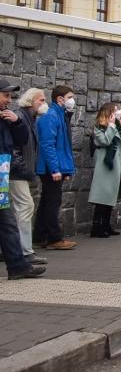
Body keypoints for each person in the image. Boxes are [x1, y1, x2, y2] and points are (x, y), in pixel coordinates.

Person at [0, 78, 45, 279]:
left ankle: (18, 266)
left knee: (7, 221)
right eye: (5, 95)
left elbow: (21, 140)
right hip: (5, 172)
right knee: (8, 219)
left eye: (10, 96)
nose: (8, 100)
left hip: (2, 173)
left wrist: (17, 123)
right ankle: (19, 264)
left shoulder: (6, 117)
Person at [34, 85, 77, 251]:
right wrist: (56, 169)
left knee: (47, 201)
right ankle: (53, 238)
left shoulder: (58, 115)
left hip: (53, 167)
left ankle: (40, 236)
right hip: (50, 168)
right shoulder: (52, 116)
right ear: (60, 99)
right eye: (69, 97)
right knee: (53, 201)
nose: (72, 100)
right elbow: (48, 145)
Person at [88, 103, 121, 238]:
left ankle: (106, 225)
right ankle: (97, 227)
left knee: (110, 196)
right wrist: (112, 125)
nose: (119, 112)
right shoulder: (99, 127)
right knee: (102, 197)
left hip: (117, 164)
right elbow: (105, 141)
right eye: (115, 110)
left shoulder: (118, 127)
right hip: (106, 165)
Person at [12, 88, 47, 265]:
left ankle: (19, 249)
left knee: (19, 209)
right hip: (17, 172)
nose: (43, 103)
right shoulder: (20, 117)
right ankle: (25, 251)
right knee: (25, 206)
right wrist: (20, 166)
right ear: (31, 101)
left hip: (20, 171)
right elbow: (14, 145)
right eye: (41, 100)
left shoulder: (29, 118)